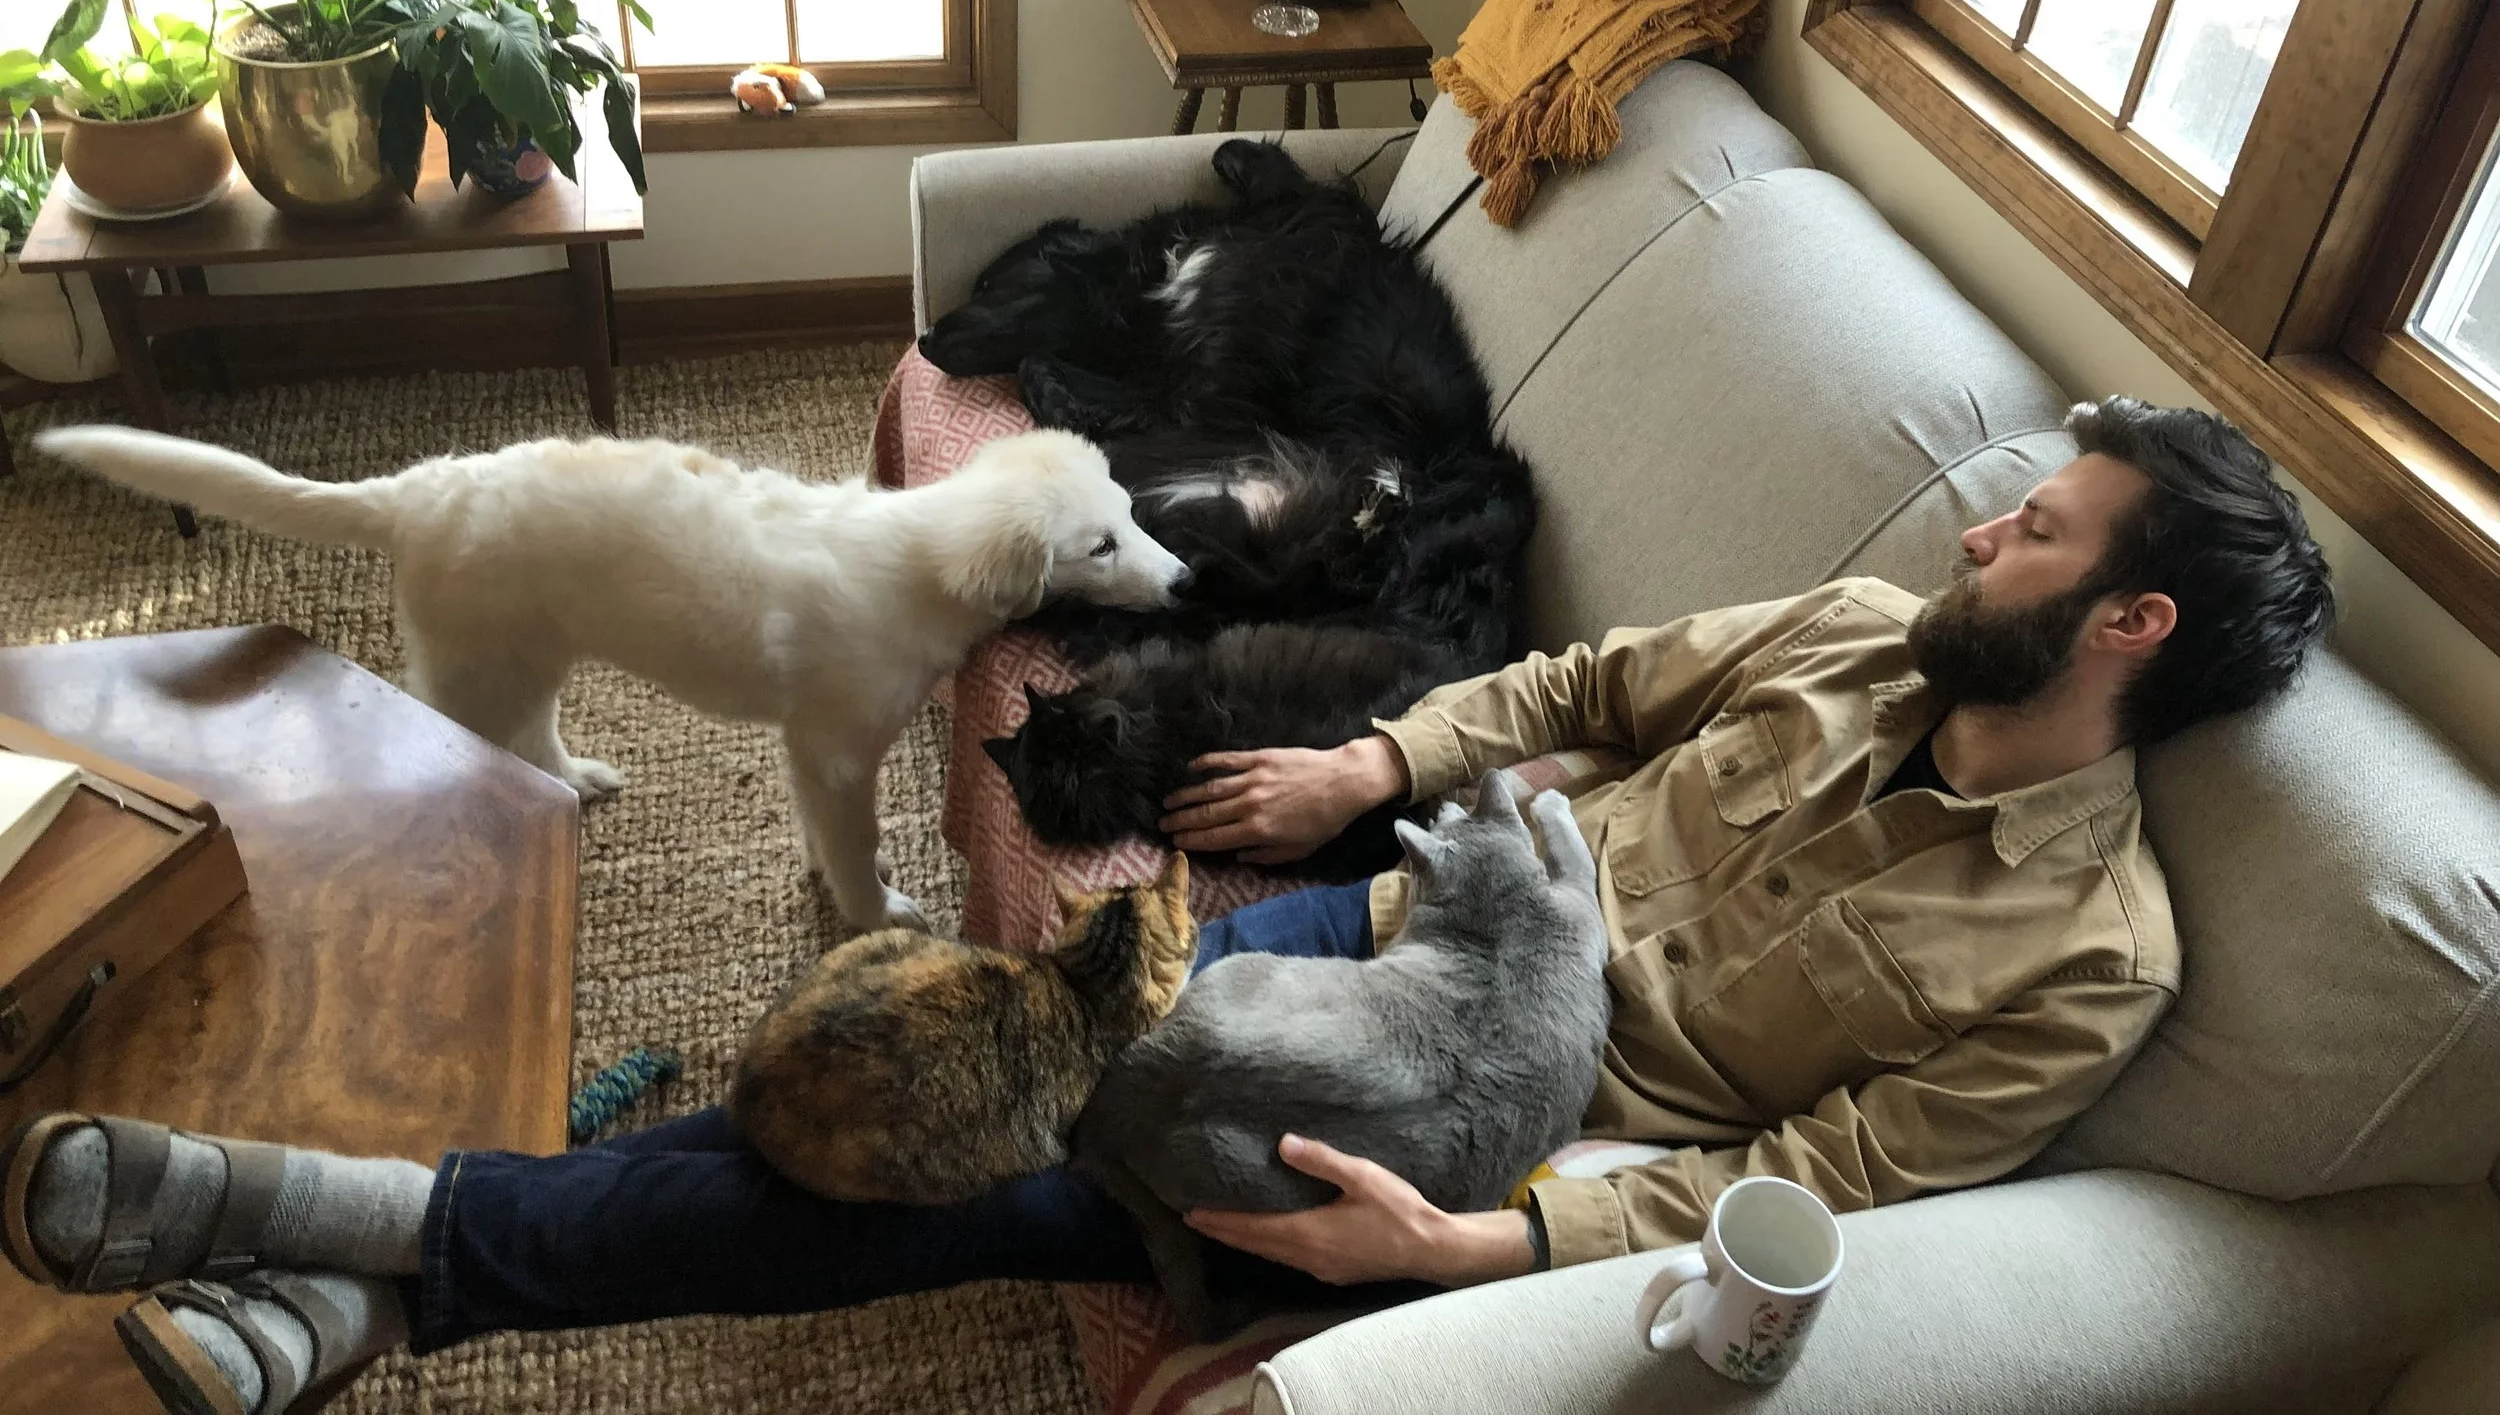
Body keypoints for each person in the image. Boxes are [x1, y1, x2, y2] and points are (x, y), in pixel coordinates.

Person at [1, 399, 2336, 1415]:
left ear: (2123, 628)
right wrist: (1376, 761)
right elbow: (1585, 679)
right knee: (953, 1078)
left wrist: (1479, 1248)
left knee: (978, 1184)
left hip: (1503, 1136)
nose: (1978, 534)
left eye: (2039, 535)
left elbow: (1826, 1185)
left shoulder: (2085, 958)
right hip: (1402, 941)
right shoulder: (1850, 634)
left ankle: (358, 1239)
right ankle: (373, 1287)